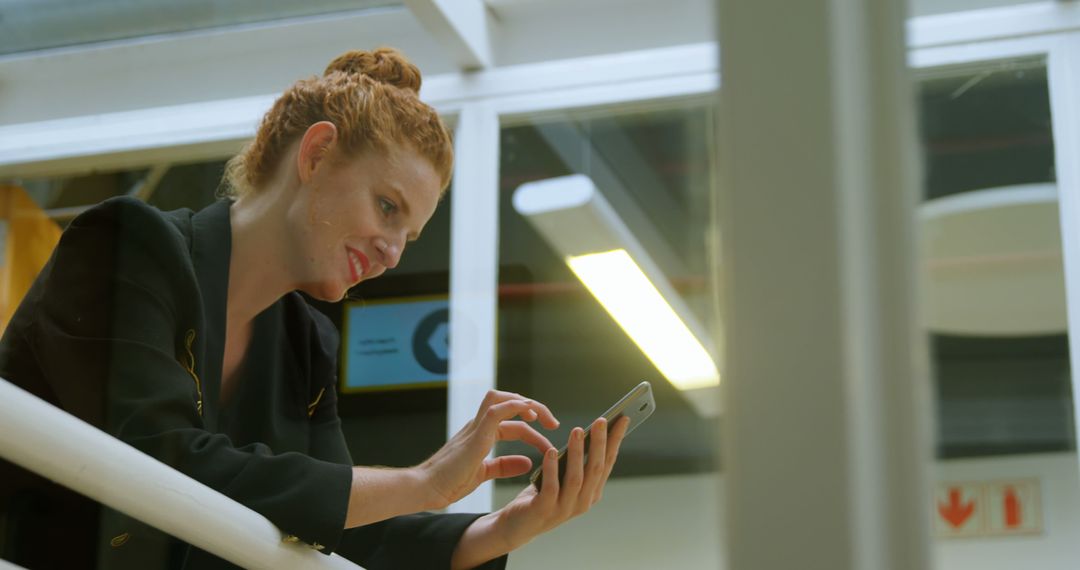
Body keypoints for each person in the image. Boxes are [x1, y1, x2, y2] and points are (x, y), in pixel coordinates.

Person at [0, 47, 630, 569]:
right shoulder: (129, 245)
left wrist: (503, 527)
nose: (390, 254)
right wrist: (427, 481)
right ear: (316, 153)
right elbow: (163, 460)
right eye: (387, 208)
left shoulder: (306, 343)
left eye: (408, 238)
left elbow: (338, 525)